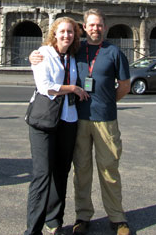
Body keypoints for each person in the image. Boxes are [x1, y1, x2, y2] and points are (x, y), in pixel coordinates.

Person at [30, 9, 131, 235]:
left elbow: (125, 86)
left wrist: (106, 102)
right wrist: (33, 55)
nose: (95, 29)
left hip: (106, 120)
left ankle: (117, 218)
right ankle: (83, 216)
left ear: (104, 27)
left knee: (109, 170)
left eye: (99, 25)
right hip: (78, 120)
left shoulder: (114, 52)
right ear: (84, 28)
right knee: (81, 171)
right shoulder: (76, 49)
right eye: (91, 25)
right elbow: (52, 52)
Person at [25, 17, 89, 235]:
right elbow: (45, 87)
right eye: (62, 31)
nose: (66, 35)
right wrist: (72, 88)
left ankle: (54, 221)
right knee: (42, 174)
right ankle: (32, 230)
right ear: (54, 33)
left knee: (61, 172)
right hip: (44, 120)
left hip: (68, 119)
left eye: (70, 32)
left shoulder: (73, 56)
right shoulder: (43, 53)